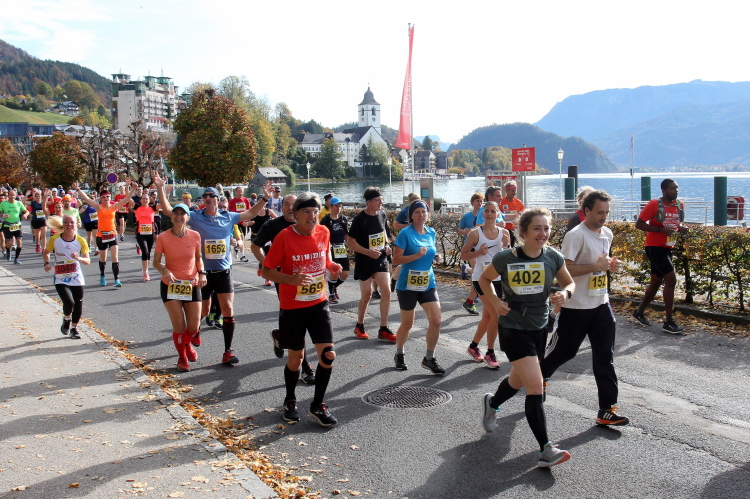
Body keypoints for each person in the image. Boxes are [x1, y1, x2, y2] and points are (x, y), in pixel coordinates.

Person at [479, 207, 575, 468]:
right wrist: (495, 302)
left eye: (546, 228)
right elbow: (484, 280)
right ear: (523, 231)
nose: (543, 233)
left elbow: (569, 283)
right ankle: (546, 449)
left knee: (518, 379)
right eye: (537, 228)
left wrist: (565, 294)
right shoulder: (505, 258)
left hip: (539, 326)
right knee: (535, 385)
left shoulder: (553, 256)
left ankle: (492, 402)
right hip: (513, 327)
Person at [155, 172, 274, 365]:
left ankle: (228, 351)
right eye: (205, 196)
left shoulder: (228, 216)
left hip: (223, 271)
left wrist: (265, 198)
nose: (207, 198)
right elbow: (169, 211)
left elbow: (250, 214)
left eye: (211, 196)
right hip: (202, 273)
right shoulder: (195, 216)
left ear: (218, 199)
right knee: (203, 312)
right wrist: (160, 188)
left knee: (228, 309)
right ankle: (192, 334)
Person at [540, 190, 629, 426]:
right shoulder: (576, 235)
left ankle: (607, 409)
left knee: (605, 357)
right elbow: (564, 270)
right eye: (599, 212)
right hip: (576, 307)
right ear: (586, 211)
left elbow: (601, 264)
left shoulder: (607, 233)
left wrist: (610, 265)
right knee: (564, 352)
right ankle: (539, 378)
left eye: (607, 212)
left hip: (601, 304)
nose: (604, 217)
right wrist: (594, 266)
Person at [261, 192, 342, 427]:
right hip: (293, 307)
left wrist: (332, 266)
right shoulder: (284, 237)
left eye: (315, 212)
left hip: (319, 303)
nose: (312, 216)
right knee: (296, 359)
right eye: (306, 212)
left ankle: (318, 405)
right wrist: (291, 279)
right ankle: (290, 400)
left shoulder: (323, 232)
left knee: (328, 355)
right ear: (295, 214)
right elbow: (266, 271)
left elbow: (325, 256)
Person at [250, 194, 317, 385]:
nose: (288, 208)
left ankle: (280, 335)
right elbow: (255, 246)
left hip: (307, 279)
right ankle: (305, 367)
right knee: (297, 320)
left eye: (292, 204)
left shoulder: (307, 225)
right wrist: (267, 266)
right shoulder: (272, 225)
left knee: (299, 320)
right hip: (284, 279)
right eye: (285, 204)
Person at [392, 200, 445, 374]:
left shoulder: (431, 232)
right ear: (411, 216)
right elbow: (396, 259)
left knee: (436, 320)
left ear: (427, 214)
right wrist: (415, 256)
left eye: (424, 212)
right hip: (407, 284)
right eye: (417, 212)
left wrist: (435, 256)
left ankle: (429, 358)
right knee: (407, 323)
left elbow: (429, 253)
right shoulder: (405, 233)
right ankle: (399, 353)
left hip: (427, 282)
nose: (421, 215)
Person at [152, 202, 205, 372]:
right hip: (171, 285)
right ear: (171, 217)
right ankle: (182, 357)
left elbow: (198, 258)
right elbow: (156, 262)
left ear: (188, 217)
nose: (179, 216)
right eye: (176, 213)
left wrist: (202, 273)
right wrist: (164, 270)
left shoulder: (195, 236)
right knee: (179, 326)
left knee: (194, 327)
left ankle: (187, 343)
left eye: (183, 213)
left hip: (191, 284)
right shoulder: (163, 237)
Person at [632, 178, 689, 333]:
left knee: (656, 281)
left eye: (676, 188)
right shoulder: (654, 204)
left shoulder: (679, 205)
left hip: (668, 246)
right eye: (672, 189)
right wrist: (660, 230)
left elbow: (675, 223)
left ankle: (639, 312)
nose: (676, 191)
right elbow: (639, 224)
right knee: (671, 279)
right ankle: (669, 321)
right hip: (654, 247)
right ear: (664, 191)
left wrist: (681, 228)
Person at [460, 201, 510, 369]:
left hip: (498, 279)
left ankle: (473, 346)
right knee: (495, 315)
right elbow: (463, 255)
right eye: (486, 211)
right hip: (480, 279)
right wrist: (478, 252)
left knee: (488, 317)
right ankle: (490, 352)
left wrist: (507, 245)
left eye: (492, 211)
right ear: (482, 213)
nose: (489, 214)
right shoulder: (475, 234)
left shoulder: (504, 233)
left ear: (498, 214)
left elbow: (507, 255)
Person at [346, 187, 396, 342]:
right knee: (366, 295)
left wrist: (387, 246)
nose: (381, 202)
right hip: (364, 261)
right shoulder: (360, 219)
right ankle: (359, 325)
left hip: (380, 260)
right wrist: (367, 252)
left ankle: (383, 329)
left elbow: (385, 236)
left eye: (382, 199)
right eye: (378, 200)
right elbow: (351, 243)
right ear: (368, 202)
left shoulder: (382, 215)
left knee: (386, 291)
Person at [73, 180, 136, 287]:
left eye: (108, 196)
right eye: (104, 197)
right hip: (101, 235)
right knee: (103, 258)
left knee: (115, 257)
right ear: (101, 199)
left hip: (112, 234)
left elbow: (126, 199)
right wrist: (78, 189)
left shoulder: (114, 206)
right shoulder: (98, 207)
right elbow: (87, 199)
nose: (107, 198)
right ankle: (102, 275)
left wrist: (132, 188)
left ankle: (116, 279)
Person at [43, 214, 90, 340]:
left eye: (72, 222)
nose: (69, 225)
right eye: (66, 222)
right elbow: (46, 252)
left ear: (76, 225)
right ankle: (66, 318)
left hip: (76, 276)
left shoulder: (81, 240)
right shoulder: (55, 239)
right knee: (69, 303)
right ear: (63, 225)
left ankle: (74, 328)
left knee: (78, 304)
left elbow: (87, 261)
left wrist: (78, 258)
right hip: (60, 277)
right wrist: (46, 263)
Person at [319, 197, 349, 304]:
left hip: (341, 248)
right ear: (330, 207)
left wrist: (349, 244)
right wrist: (327, 245)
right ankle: (331, 294)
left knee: (345, 273)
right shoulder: (326, 220)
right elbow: (321, 235)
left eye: (340, 206)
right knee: (335, 272)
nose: (338, 208)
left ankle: (333, 286)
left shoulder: (343, 219)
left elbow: (346, 234)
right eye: (336, 206)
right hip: (331, 248)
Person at [459, 193, 484, 314]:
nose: (479, 203)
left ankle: (466, 270)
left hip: (482, 246)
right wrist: (465, 231)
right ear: (472, 202)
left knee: (477, 271)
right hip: (471, 247)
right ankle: (474, 296)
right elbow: (460, 229)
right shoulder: (467, 216)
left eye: (481, 201)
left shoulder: (484, 215)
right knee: (477, 271)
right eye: (477, 201)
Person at [0, 189, 29, 263]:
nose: (12, 196)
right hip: (7, 225)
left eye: (13, 195)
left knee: (19, 242)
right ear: (8, 195)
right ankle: (8, 250)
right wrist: (3, 215)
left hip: (17, 225)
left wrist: (25, 215)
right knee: (9, 243)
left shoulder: (19, 203)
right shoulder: (3, 204)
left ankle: (16, 258)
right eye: (10, 195)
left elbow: (26, 211)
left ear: (15, 195)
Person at [134, 194, 157, 281]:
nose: (145, 200)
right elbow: (128, 199)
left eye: (146, 199)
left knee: (148, 252)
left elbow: (163, 203)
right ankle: (145, 272)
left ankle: (145, 268)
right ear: (140, 200)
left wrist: (165, 192)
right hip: (140, 233)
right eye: (143, 199)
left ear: (149, 200)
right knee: (145, 251)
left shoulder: (152, 208)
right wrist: (129, 188)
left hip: (150, 233)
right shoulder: (137, 208)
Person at [228, 186, 252, 262]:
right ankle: (242, 256)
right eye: (239, 191)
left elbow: (249, 210)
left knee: (243, 238)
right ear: (236, 192)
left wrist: (248, 219)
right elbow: (228, 211)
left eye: (241, 191)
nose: (240, 193)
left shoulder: (246, 200)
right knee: (240, 238)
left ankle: (237, 247)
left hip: (244, 222)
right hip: (236, 222)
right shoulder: (232, 201)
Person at [499, 181, 525, 247]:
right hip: (504, 229)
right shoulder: (501, 202)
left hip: (515, 229)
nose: (514, 192)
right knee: (505, 246)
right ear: (507, 191)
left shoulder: (518, 202)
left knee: (514, 246)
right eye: (512, 190)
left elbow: (523, 214)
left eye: (515, 190)